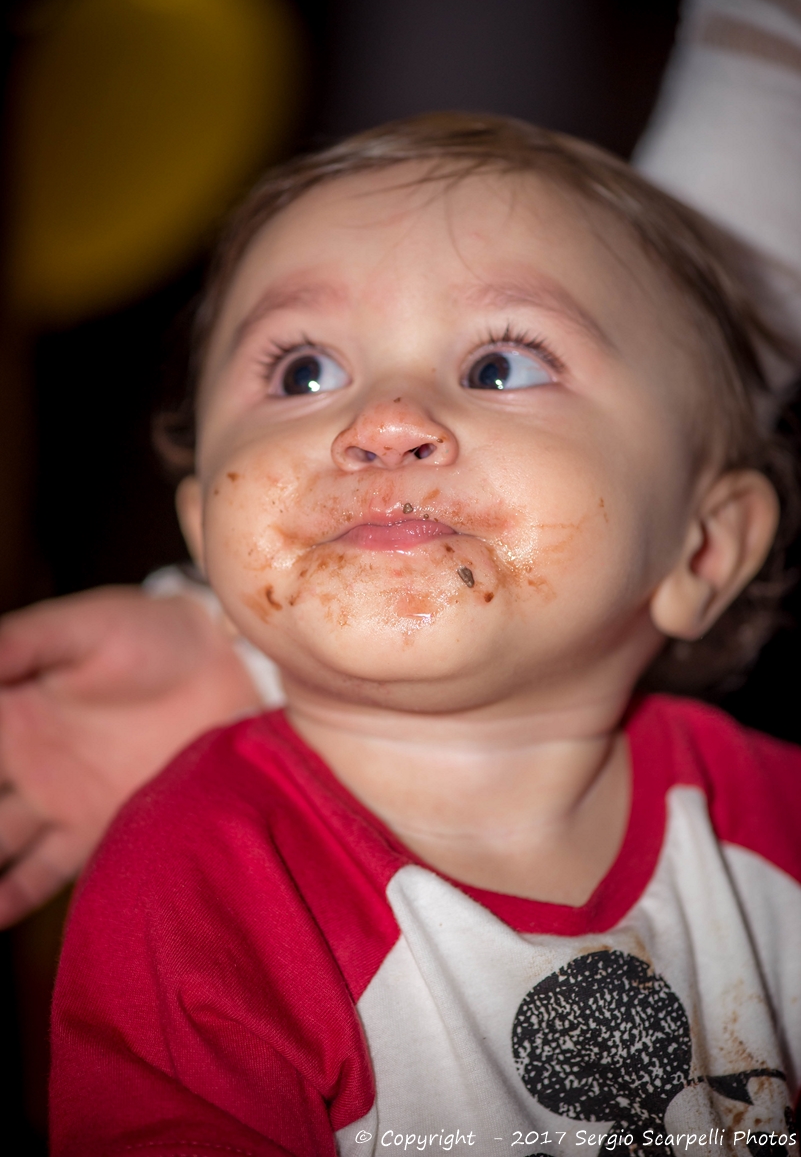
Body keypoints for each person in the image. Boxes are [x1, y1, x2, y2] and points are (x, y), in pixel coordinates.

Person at [48, 108, 801, 1155]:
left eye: (501, 365)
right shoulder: (201, 884)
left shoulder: (773, 827)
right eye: (304, 372)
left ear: (703, 550)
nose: (384, 423)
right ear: (203, 534)